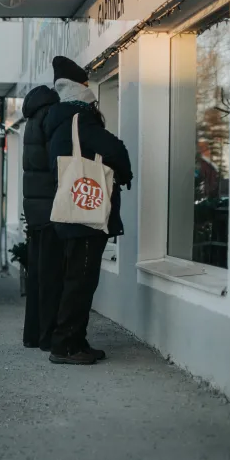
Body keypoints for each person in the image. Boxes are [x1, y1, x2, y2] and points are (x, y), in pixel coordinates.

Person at [43, 56, 133, 365]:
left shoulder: (57, 120)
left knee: (75, 279)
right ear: (80, 89)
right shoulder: (79, 118)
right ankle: (66, 346)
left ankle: (74, 341)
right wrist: (126, 172)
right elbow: (114, 149)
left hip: (70, 210)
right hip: (84, 216)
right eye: (86, 84)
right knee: (81, 281)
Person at [20, 83, 61, 351]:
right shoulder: (49, 120)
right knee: (51, 279)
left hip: (35, 213)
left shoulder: (31, 123)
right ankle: (48, 337)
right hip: (50, 212)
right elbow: (56, 164)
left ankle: (32, 335)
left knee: (36, 277)